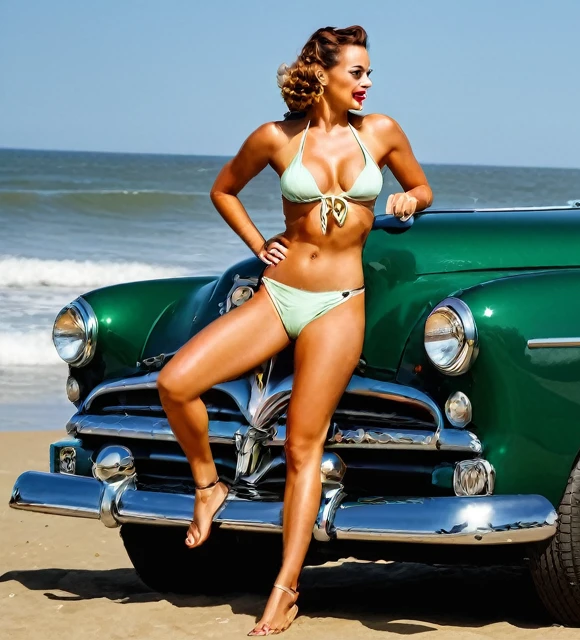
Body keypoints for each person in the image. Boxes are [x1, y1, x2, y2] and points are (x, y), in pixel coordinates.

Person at [154, 25, 432, 635]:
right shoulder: (277, 138)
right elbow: (223, 189)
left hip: (340, 304)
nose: (367, 83)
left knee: (301, 447)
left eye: (369, 72)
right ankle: (208, 484)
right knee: (175, 384)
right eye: (356, 72)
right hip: (279, 295)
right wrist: (260, 244)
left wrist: (411, 201)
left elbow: (421, 185)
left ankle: (285, 589)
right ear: (324, 74)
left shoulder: (381, 132)